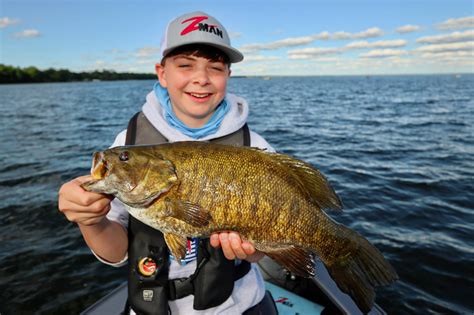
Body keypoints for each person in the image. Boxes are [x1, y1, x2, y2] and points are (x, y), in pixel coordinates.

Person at [58, 11, 277, 315]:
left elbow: (270, 242)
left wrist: (255, 251)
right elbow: (118, 250)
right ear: (162, 73)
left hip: (238, 304)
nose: (201, 78)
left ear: (228, 74)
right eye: (185, 65)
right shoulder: (129, 141)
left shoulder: (256, 149)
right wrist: (90, 220)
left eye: (215, 67)